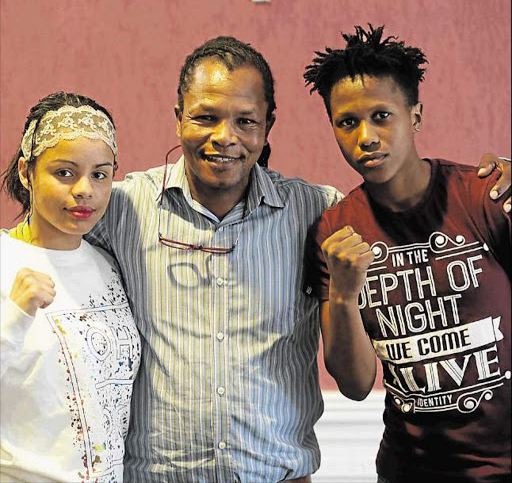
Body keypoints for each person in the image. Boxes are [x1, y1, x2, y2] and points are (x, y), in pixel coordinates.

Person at [84, 36, 511, 483]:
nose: (224, 137)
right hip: (161, 477)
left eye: (245, 121)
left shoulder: (320, 213)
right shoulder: (121, 209)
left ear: (267, 126)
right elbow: (38, 234)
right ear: (178, 119)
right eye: (206, 117)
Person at [304, 25, 510, 482]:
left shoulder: (484, 196)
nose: (367, 137)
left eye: (382, 116)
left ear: (414, 117)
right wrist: (343, 293)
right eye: (347, 122)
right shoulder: (334, 231)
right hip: (410, 469)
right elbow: (356, 387)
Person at [0, 92, 141, 483]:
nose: (84, 190)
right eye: (64, 172)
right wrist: (14, 317)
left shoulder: (110, 265)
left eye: (100, 174)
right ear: (28, 173)